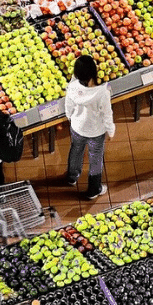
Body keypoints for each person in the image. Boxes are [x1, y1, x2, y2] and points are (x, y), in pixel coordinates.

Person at [63, 55, 113, 201]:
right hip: (96, 131)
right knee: (95, 157)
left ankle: (72, 177)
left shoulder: (72, 87)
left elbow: (68, 107)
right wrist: (110, 130)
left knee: (76, 149)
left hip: (78, 127)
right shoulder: (102, 92)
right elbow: (107, 114)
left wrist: (71, 118)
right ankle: (93, 189)